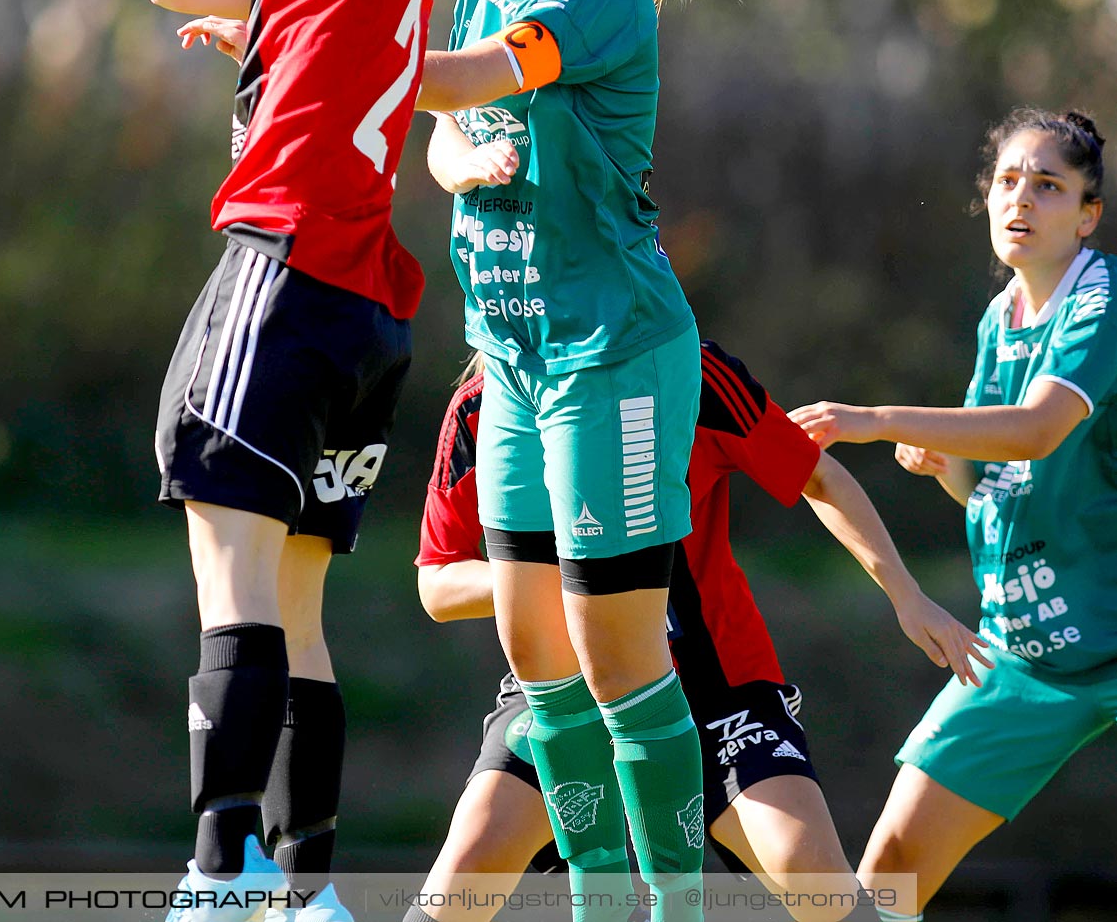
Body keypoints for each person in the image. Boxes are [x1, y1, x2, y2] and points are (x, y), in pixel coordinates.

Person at [64, 0, 441, 922]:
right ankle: (304, 889)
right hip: (362, 311)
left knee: (230, 585)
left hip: (286, 283)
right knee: (296, 608)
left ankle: (220, 878)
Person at [408, 0, 717, 922]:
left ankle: (674, 914)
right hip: (514, 360)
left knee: (619, 663)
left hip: (610, 356)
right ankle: (596, 905)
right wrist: (457, 164)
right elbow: (450, 130)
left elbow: (453, 81)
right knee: (540, 661)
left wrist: (296, 40)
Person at [410, 344, 988, 922]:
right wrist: (560, 582)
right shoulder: (483, 406)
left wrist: (908, 598)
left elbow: (820, 477)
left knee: (816, 880)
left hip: (717, 695)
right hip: (567, 696)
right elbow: (437, 582)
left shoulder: (689, 369)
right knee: (465, 874)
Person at [790, 108, 1116, 922]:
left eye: (1049, 185)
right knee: (892, 867)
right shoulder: (998, 317)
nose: (1023, 199)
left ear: (1087, 215)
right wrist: (947, 464)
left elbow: (1038, 431)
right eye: (1010, 181)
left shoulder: (1101, 304)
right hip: (1026, 650)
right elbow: (985, 487)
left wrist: (880, 419)